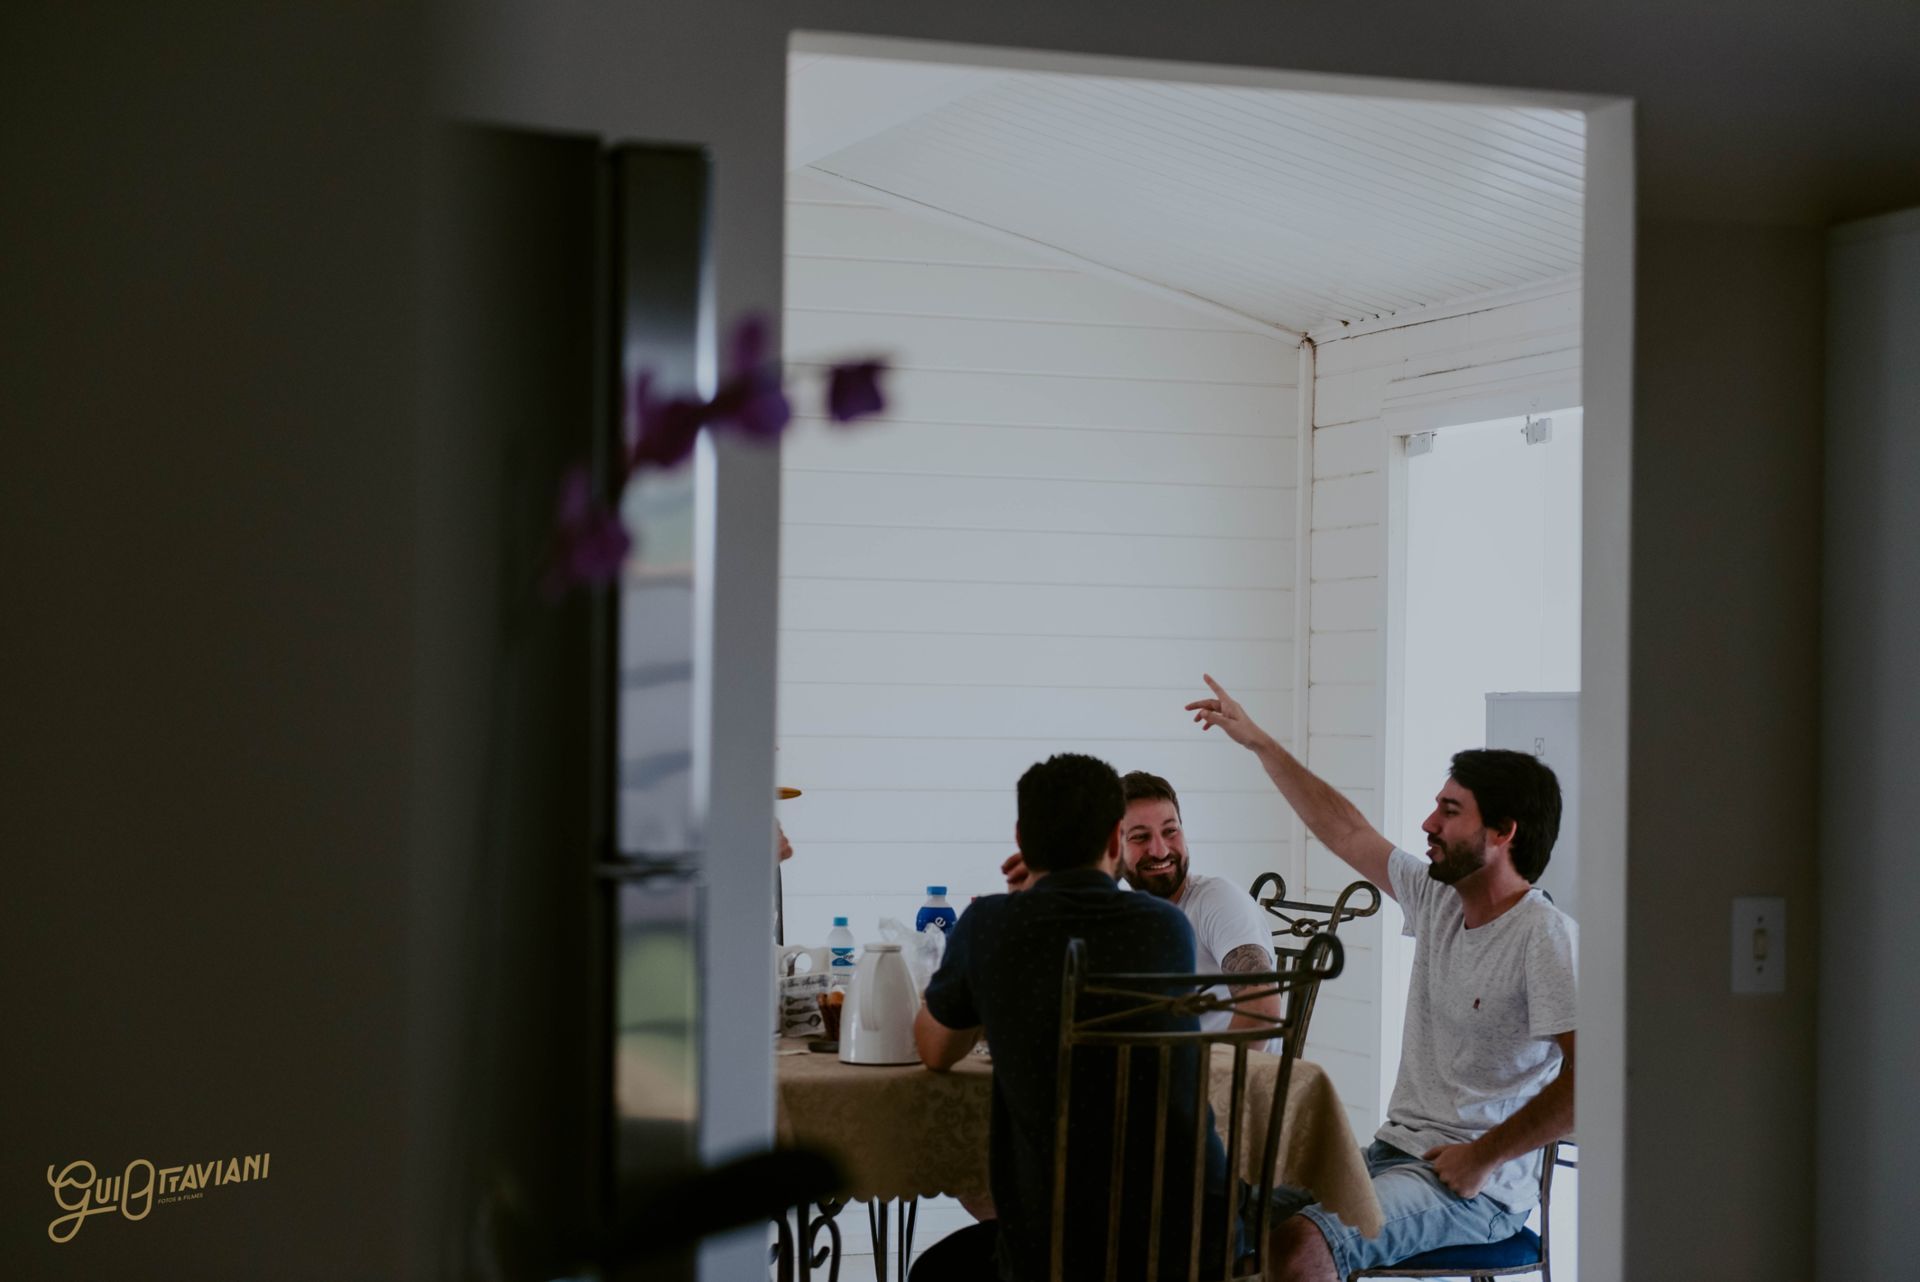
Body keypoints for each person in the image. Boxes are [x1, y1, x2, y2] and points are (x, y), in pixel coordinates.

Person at [1185, 675, 1576, 1281]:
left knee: (1301, 1246)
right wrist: (1258, 741)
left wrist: (1484, 1156)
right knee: (1219, 1221)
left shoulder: (1543, 937)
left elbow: (1592, 1086)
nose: (1429, 823)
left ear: (1503, 833)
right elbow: (1345, 829)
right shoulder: (1439, 897)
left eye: (1450, 811)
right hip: (1394, 1154)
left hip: (1477, 1193)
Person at [911, 753, 1239, 1282]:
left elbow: (935, 1049)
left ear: (1021, 837)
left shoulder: (989, 926)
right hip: (1190, 1235)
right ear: (1116, 842)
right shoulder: (1165, 927)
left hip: (1059, 1247)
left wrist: (1002, 933)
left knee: (935, 1272)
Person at [1002, 770, 1282, 1041]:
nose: (1160, 850)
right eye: (1140, 837)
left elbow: (1262, 1010)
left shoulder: (1217, 900)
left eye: (1170, 831)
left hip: (1218, 1079)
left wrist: (1204, 1081)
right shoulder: (1124, 914)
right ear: (1112, 847)